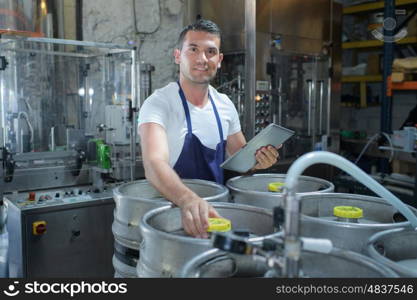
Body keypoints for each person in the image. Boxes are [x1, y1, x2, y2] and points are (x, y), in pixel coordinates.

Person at [138, 19, 279, 238]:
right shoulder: (159, 103)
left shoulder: (224, 105)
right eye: (193, 49)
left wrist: (259, 160)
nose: (202, 59)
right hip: (172, 222)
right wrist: (188, 200)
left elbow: (241, 158)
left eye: (210, 51)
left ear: (220, 60)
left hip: (215, 218)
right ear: (178, 56)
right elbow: (154, 163)